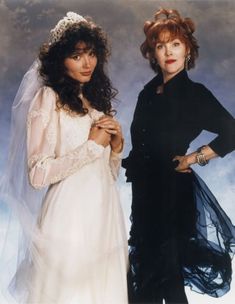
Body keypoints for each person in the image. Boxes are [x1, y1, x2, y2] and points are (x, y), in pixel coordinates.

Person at [0, 12, 128, 304]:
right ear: (60, 60)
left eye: (92, 54)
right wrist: (92, 146)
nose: (87, 63)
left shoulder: (93, 101)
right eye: (77, 56)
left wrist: (116, 148)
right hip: (69, 217)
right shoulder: (48, 98)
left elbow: (106, 175)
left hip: (104, 214)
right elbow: (37, 174)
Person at [122, 8, 235, 304]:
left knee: (167, 278)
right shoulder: (147, 92)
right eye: (160, 46)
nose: (168, 52)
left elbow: (232, 133)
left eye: (175, 44)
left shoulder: (194, 94)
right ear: (153, 54)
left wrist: (195, 158)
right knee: (142, 278)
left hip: (173, 196)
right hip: (145, 195)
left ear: (187, 50)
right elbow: (140, 144)